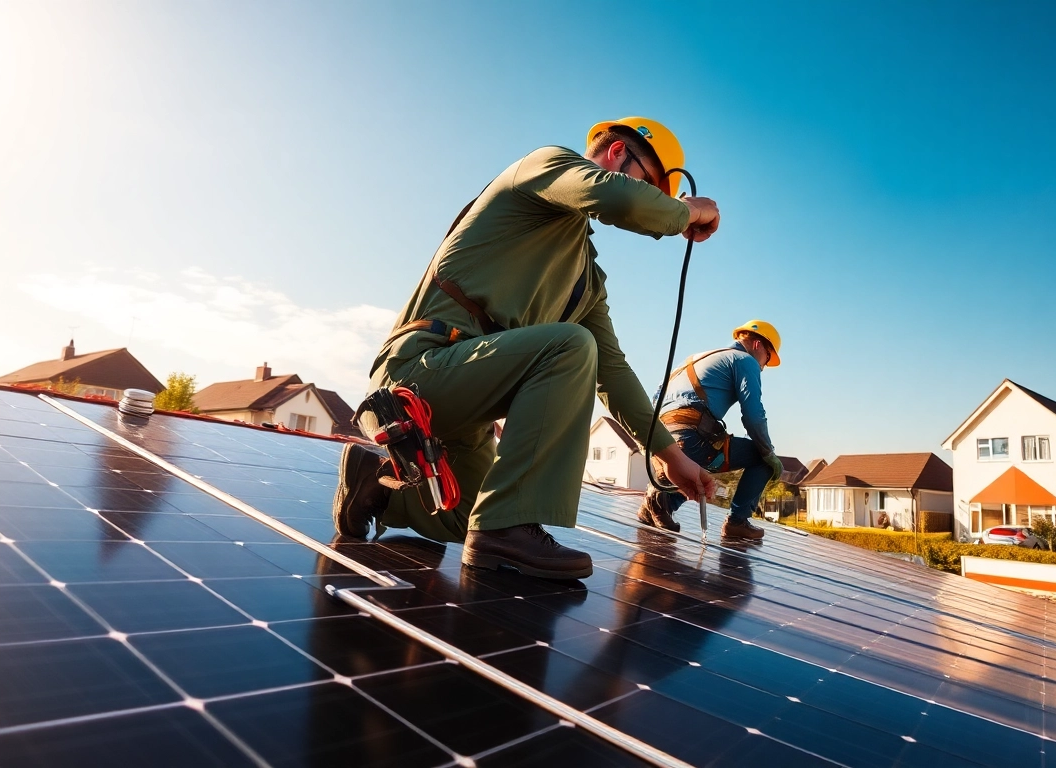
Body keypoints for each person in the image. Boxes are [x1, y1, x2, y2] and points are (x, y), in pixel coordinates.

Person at [332, 117, 722, 580]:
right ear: (617, 154)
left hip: (464, 403)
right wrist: (689, 212)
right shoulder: (544, 167)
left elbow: (612, 373)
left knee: (468, 515)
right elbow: (617, 197)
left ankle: (374, 488)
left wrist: (673, 458)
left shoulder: (585, 279)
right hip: (417, 374)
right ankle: (511, 525)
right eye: (651, 185)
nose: (655, 200)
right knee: (570, 347)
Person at [637, 320, 785, 541]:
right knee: (760, 458)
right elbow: (754, 416)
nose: (763, 366)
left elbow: (655, 400)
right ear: (758, 345)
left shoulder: (699, 358)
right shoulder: (745, 361)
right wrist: (769, 453)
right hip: (691, 439)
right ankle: (738, 522)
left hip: (661, 440)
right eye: (768, 359)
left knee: (697, 456)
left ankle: (661, 501)